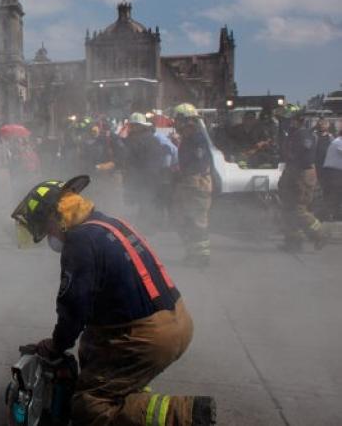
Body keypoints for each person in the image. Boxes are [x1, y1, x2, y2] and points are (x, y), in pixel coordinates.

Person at [11, 175, 216, 426]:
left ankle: (185, 415)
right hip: (177, 320)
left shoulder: (80, 241)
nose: (48, 236)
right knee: (94, 349)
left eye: (46, 227)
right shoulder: (108, 223)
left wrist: (56, 344)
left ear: (57, 216)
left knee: (88, 404)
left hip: (147, 337)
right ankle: (133, 400)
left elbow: (74, 306)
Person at [277, 111, 327, 252]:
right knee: (287, 208)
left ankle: (321, 234)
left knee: (298, 209)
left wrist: (294, 167)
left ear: (297, 120)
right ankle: (293, 242)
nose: (286, 123)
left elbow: (303, 157)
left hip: (302, 174)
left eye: (288, 120)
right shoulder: (292, 135)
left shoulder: (304, 135)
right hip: (292, 172)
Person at [171, 104, 213, 266]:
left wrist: (187, 176)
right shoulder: (188, 138)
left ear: (187, 121)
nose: (176, 123)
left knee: (196, 220)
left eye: (178, 120)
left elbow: (199, 164)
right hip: (188, 183)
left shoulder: (197, 138)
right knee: (183, 219)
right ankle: (192, 252)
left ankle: (201, 256)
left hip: (196, 184)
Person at [118, 113, 167, 231]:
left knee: (142, 208)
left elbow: (129, 162)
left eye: (134, 126)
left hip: (142, 181)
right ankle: (146, 229)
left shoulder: (135, 141)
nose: (131, 128)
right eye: (131, 126)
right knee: (145, 207)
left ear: (140, 126)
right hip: (151, 179)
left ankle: (142, 232)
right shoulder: (153, 138)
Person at [322, 128, 342, 221]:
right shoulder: (338, 142)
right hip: (333, 172)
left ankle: (335, 214)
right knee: (334, 193)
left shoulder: (337, 141)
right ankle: (328, 215)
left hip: (334, 172)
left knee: (336, 193)